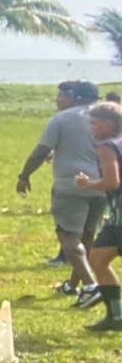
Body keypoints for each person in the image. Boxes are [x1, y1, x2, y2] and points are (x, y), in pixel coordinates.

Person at [18, 80, 103, 297]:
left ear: (75, 97)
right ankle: (72, 286)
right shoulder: (109, 119)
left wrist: (24, 175)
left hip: (71, 184)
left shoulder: (62, 119)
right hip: (103, 185)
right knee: (87, 236)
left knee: (68, 236)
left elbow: (41, 151)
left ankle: (91, 286)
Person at [75, 101, 122, 332]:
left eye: (94, 124)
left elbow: (112, 182)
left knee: (98, 260)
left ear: (108, 124)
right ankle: (116, 316)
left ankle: (117, 316)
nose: (91, 128)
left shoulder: (106, 147)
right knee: (98, 259)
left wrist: (88, 184)